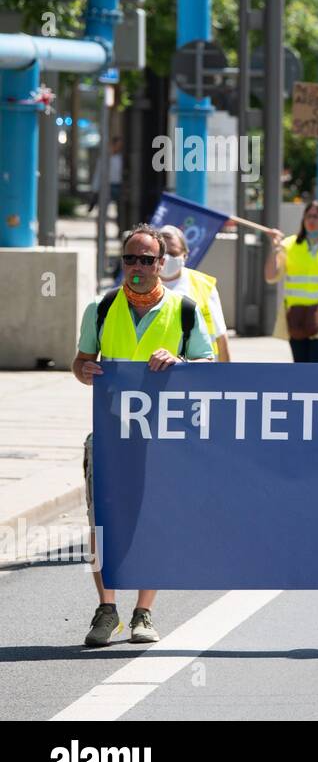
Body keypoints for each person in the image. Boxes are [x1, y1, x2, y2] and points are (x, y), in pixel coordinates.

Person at [72, 224, 216, 646]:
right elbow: (80, 363)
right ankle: (106, 610)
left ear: (162, 263)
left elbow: (208, 366)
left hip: (161, 439)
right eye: (130, 259)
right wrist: (86, 371)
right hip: (110, 435)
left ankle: (144, 613)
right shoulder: (100, 308)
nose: (137, 268)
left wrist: (178, 361)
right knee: (102, 522)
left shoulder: (184, 310)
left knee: (152, 521)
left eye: (146, 260)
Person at [265, 201, 318, 363]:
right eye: (308, 216)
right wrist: (275, 249)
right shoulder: (289, 244)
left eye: (317, 216)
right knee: (301, 367)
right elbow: (271, 277)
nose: (311, 221)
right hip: (296, 316)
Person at [157, 224, 230, 362]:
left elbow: (221, 337)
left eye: (173, 253)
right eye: (161, 253)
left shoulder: (203, 285)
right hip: (154, 368)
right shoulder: (142, 284)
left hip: (197, 369)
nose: (166, 258)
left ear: (185, 255)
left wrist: (227, 379)